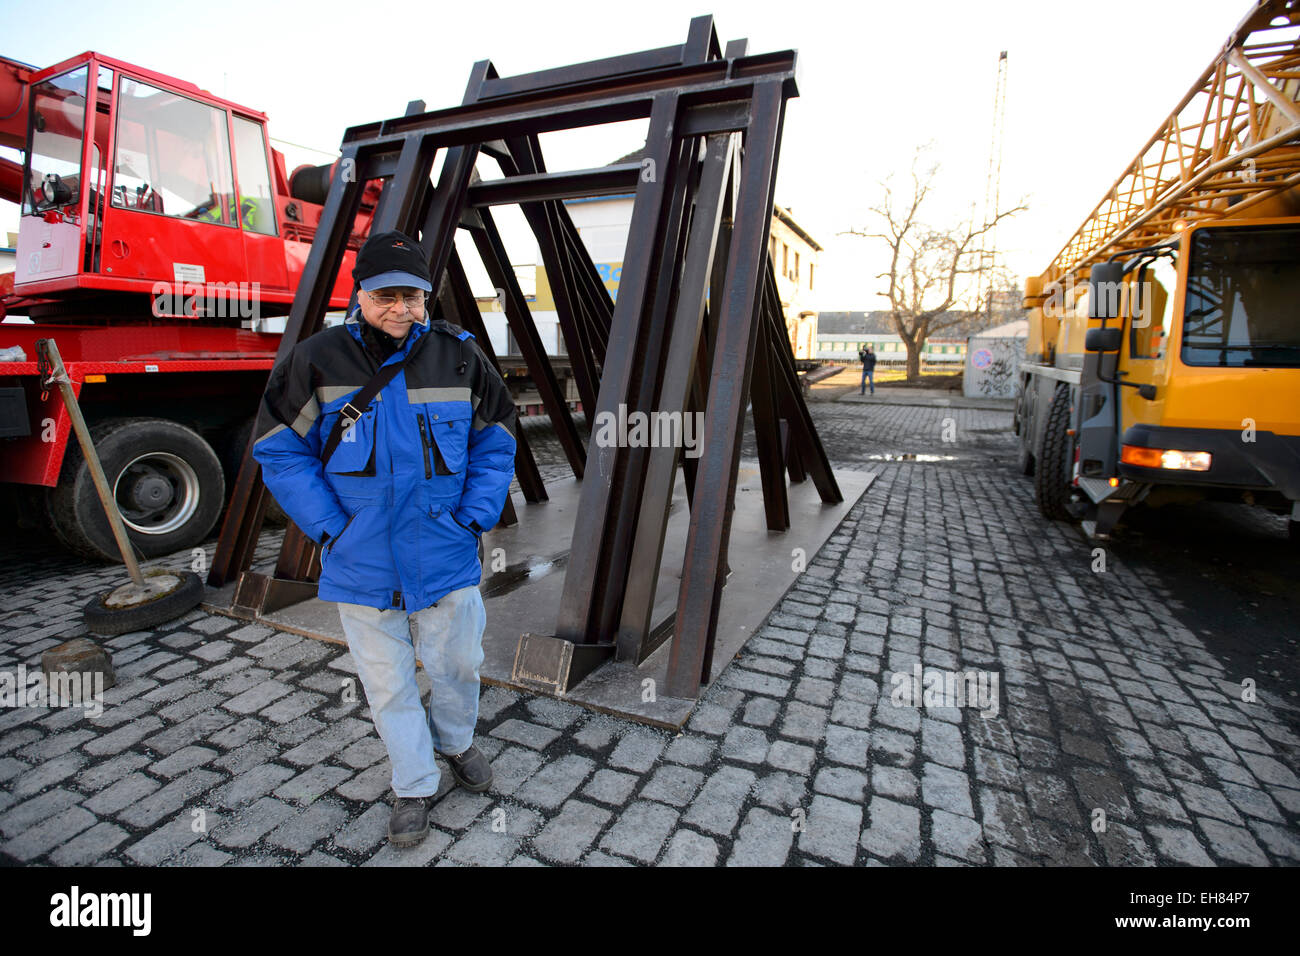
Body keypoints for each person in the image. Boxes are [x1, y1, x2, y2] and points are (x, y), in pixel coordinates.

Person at [251, 229, 517, 848]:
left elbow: (497, 438)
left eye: (414, 296)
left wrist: (473, 517)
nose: (401, 308)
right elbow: (280, 450)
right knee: (388, 681)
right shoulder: (315, 359)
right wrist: (331, 528)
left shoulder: (460, 356)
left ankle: (456, 743)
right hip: (361, 558)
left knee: (458, 663)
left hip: (446, 548)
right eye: (386, 295)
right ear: (360, 294)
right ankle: (415, 781)